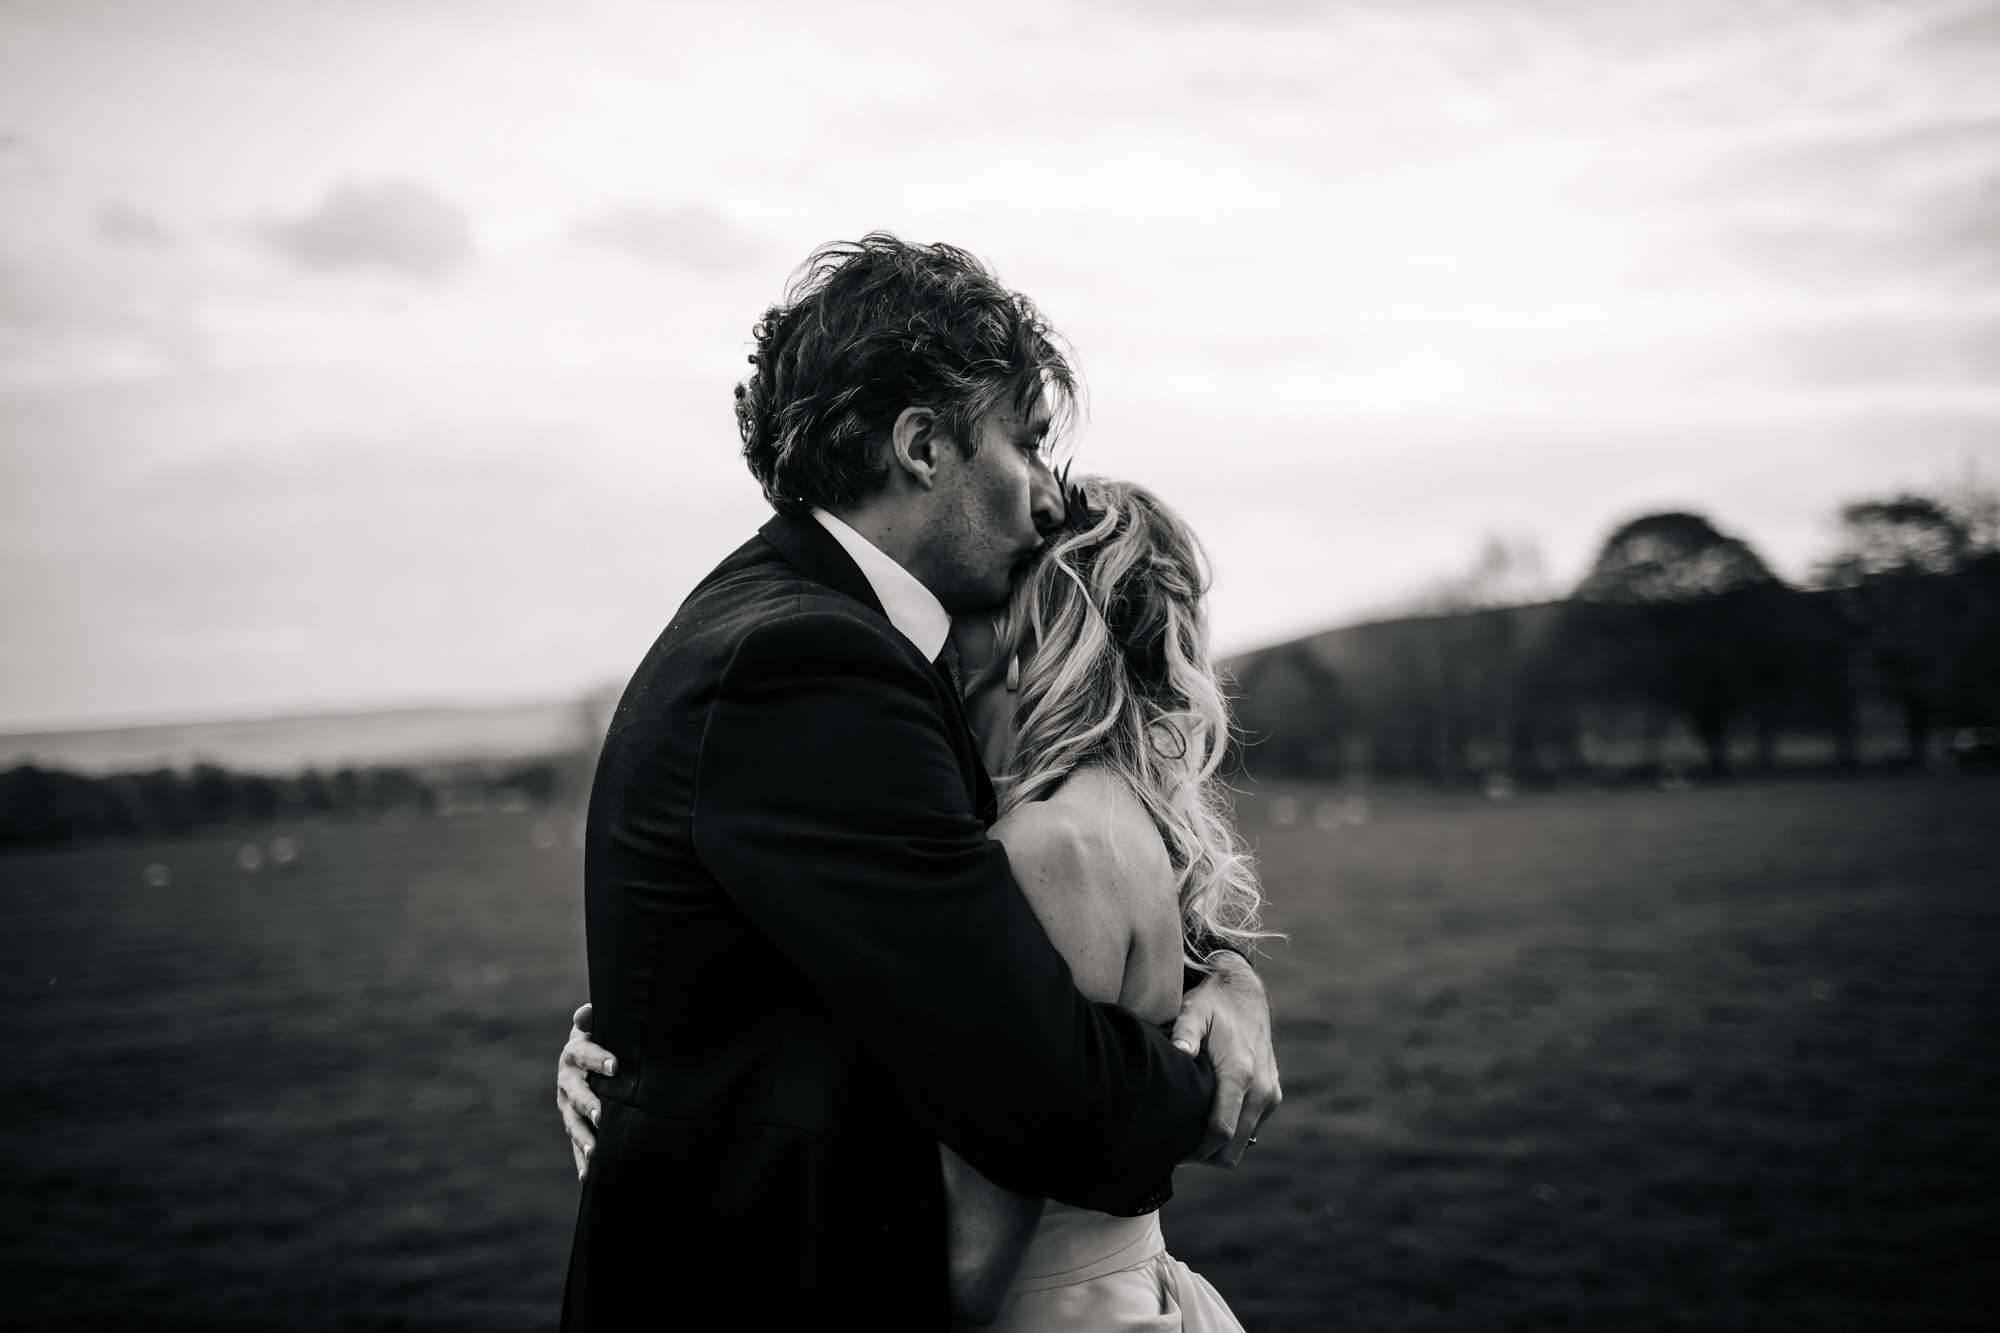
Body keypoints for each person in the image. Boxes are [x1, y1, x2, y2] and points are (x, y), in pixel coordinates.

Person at [556, 234, 1280, 1329]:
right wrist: (1207, 1084)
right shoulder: (807, 660)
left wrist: (1220, 977)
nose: (1047, 498)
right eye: (1028, 442)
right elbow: (1031, 1076)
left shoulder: (829, 633)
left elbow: (953, 938)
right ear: (922, 445)